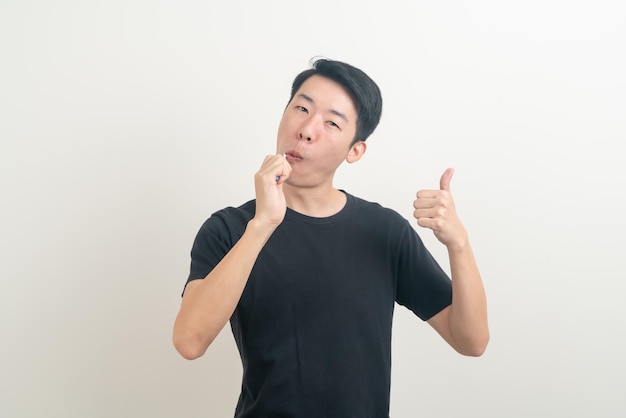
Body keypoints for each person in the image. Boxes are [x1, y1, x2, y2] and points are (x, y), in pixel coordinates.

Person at [172, 58, 489, 417]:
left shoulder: (384, 232)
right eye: (301, 108)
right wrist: (262, 224)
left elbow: (471, 341)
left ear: (355, 151)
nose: (306, 129)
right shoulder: (229, 229)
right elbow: (189, 341)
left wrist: (458, 244)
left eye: (331, 122)